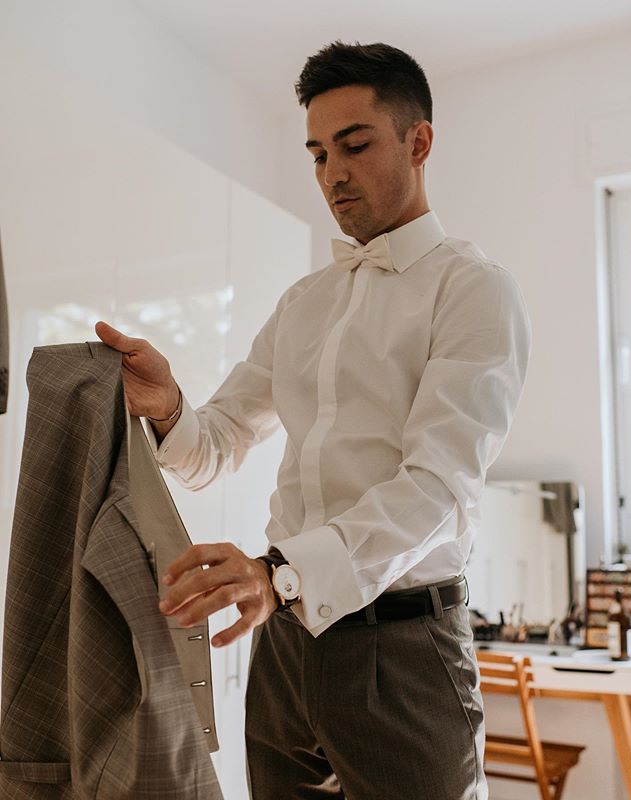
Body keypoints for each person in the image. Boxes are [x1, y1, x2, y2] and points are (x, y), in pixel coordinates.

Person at [96, 41, 531, 800]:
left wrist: (284, 574)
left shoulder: (474, 290)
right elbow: (221, 438)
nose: (333, 173)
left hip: (405, 653)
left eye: (355, 146)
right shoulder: (305, 303)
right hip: (286, 649)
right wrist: (168, 406)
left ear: (418, 142)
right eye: (318, 153)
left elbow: (438, 487)